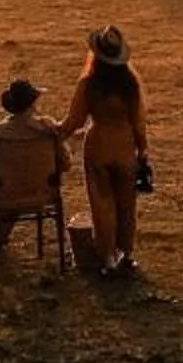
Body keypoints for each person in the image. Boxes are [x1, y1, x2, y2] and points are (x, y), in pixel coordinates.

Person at [58, 25, 150, 276]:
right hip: (124, 145)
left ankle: (107, 257)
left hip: (98, 144)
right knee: (126, 204)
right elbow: (138, 123)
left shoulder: (89, 84)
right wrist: (143, 150)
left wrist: (55, 133)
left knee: (102, 204)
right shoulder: (130, 84)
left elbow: (74, 121)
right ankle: (127, 253)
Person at [0, 78, 66, 257]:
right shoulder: (48, 130)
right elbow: (66, 163)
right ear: (33, 104)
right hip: (42, 195)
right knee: (18, 178)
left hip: (5, 197)